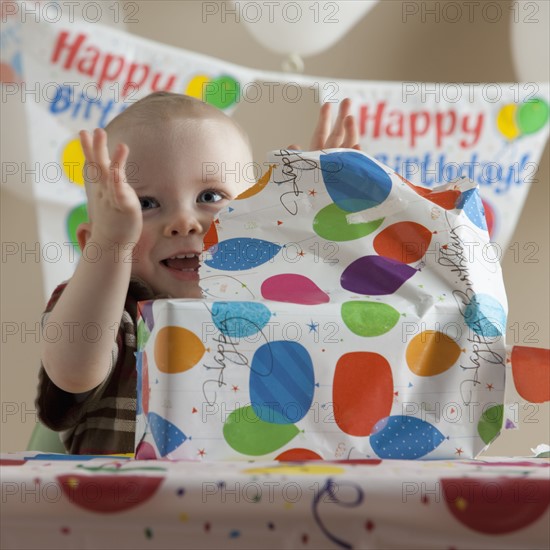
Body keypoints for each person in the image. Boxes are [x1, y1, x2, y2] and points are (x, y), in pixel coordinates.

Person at [36, 92, 360, 454]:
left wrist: (314, 225)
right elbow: (72, 371)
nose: (183, 223)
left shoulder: (277, 304)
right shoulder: (113, 312)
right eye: (144, 204)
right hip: (127, 507)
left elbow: (353, 329)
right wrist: (111, 246)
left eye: (209, 196)